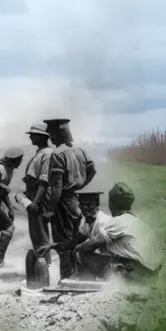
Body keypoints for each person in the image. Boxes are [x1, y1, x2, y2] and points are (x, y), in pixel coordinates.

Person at [74, 183, 162, 282]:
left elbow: (89, 247)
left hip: (135, 272)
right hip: (150, 273)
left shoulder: (118, 221)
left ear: (113, 203)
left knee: (81, 253)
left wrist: (77, 248)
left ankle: (87, 285)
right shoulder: (139, 222)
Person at [43, 118, 96, 280]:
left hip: (63, 203)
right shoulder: (81, 150)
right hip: (76, 202)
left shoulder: (58, 154)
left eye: (52, 134)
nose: (50, 138)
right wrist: (79, 186)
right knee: (76, 240)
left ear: (59, 134)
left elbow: (57, 186)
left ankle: (66, 278)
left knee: (63, 243)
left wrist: (50, 210)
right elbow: (92, 171)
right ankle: (78, 275)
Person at [35, 190, 112, 277]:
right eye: (82, 205)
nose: (85, 208)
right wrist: (51, 246)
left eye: (89, 205)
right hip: (103, 259)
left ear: (97, 205)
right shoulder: (85, 221)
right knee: (77, 251)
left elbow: (96, 246)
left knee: (79, 253)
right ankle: (85, 282)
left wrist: (79, 248)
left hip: (112, 261)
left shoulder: (103, 222)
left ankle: (94, 280)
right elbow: (73, 242)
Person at [19, 121, 53, 265]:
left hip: (39, 196)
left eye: (33, 135)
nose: (31, 138)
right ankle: (41, 263)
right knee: (35, 232)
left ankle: (46, 264)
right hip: (33, 193)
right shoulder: (39, 152)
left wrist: (36, 202)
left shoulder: (47, 154)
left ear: (41, 137)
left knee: (40, 232)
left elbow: (44, 181)